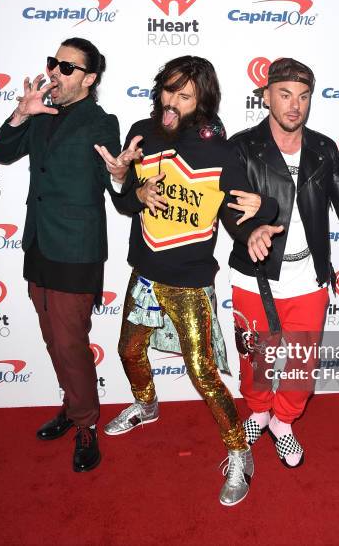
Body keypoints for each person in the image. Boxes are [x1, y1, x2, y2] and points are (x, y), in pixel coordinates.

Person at [94, 56, 269, 506]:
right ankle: (147, 405)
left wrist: (259, 221)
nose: (171, 101)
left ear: (202, 103)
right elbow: (128, 205)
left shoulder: (221, 152)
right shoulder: (143, 133)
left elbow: (238, 215)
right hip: (145, 274)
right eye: (168, 90)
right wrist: (129, 186)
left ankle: (239, 451)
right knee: (128, 349)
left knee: (204, 374)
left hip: (190, 283)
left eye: (184, 95)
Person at [223, 58, 339, 468]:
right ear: (266, 96)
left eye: (303, 97)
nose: (294, 106)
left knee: (301, 363)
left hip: (308, 277)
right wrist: (249, 231)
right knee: (257, 359)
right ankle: (259, 412)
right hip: (256, 275)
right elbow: (229, 206)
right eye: (285, 95)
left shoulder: (323, 149)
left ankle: (283, 421)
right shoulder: (242, 146)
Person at [0, 37, 125, 473]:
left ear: (89, 78)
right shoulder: (39, 114)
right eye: (54, 63)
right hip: (39, 243)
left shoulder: (101, 122)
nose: (55, 72)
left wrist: (123, 175)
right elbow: (1, 153)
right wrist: (19, 114)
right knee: (53, 339)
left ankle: (86, 424)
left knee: (70, 341)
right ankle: (72, 406)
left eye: (67, 68)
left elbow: (118, 182)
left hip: (77, 249)